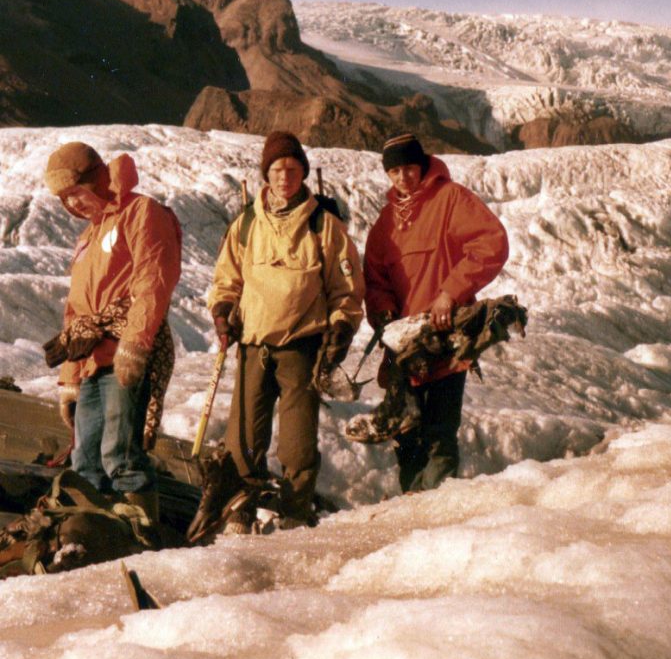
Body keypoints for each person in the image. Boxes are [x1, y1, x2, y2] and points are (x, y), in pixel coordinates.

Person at [208, 131, 364, 526]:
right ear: (266, 174)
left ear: (303, 173)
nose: (284, 177)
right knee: (242, 442)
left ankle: (294, 515)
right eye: (277, 169)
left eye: (292, 169)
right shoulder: (246, 223)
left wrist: (341, 329)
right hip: (252, 345)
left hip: (301, 348)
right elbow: (226, 279)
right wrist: (223, 311)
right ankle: (241, 513)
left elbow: (346, 291)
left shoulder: (323, 226)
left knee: (297, 446)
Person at [43, 142, 182, 521]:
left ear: (95, 180)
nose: (72, 205)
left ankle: (143, 534)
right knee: (86, 462)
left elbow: (153, 280)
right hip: (91, 364)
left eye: (76, 193)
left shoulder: (141, 212)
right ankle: (96, 537)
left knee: (120, 457)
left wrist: (135, 346)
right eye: (64, 199)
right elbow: (77, 314)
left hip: (123, 355)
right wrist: (69, 379)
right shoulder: (88, 237)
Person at [364, 133, 509, 492]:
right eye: (394, 171)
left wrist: (450, 293)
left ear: (422, 165)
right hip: (403, 347)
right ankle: (413, 504)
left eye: (409, 168)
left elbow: (491, 242)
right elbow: (375, 279)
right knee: (406, 432)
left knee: (440, 432)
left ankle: (434, 517)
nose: (402, 177)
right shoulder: (385, 222)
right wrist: (383, 314)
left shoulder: (451, 199)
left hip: (447, 336)